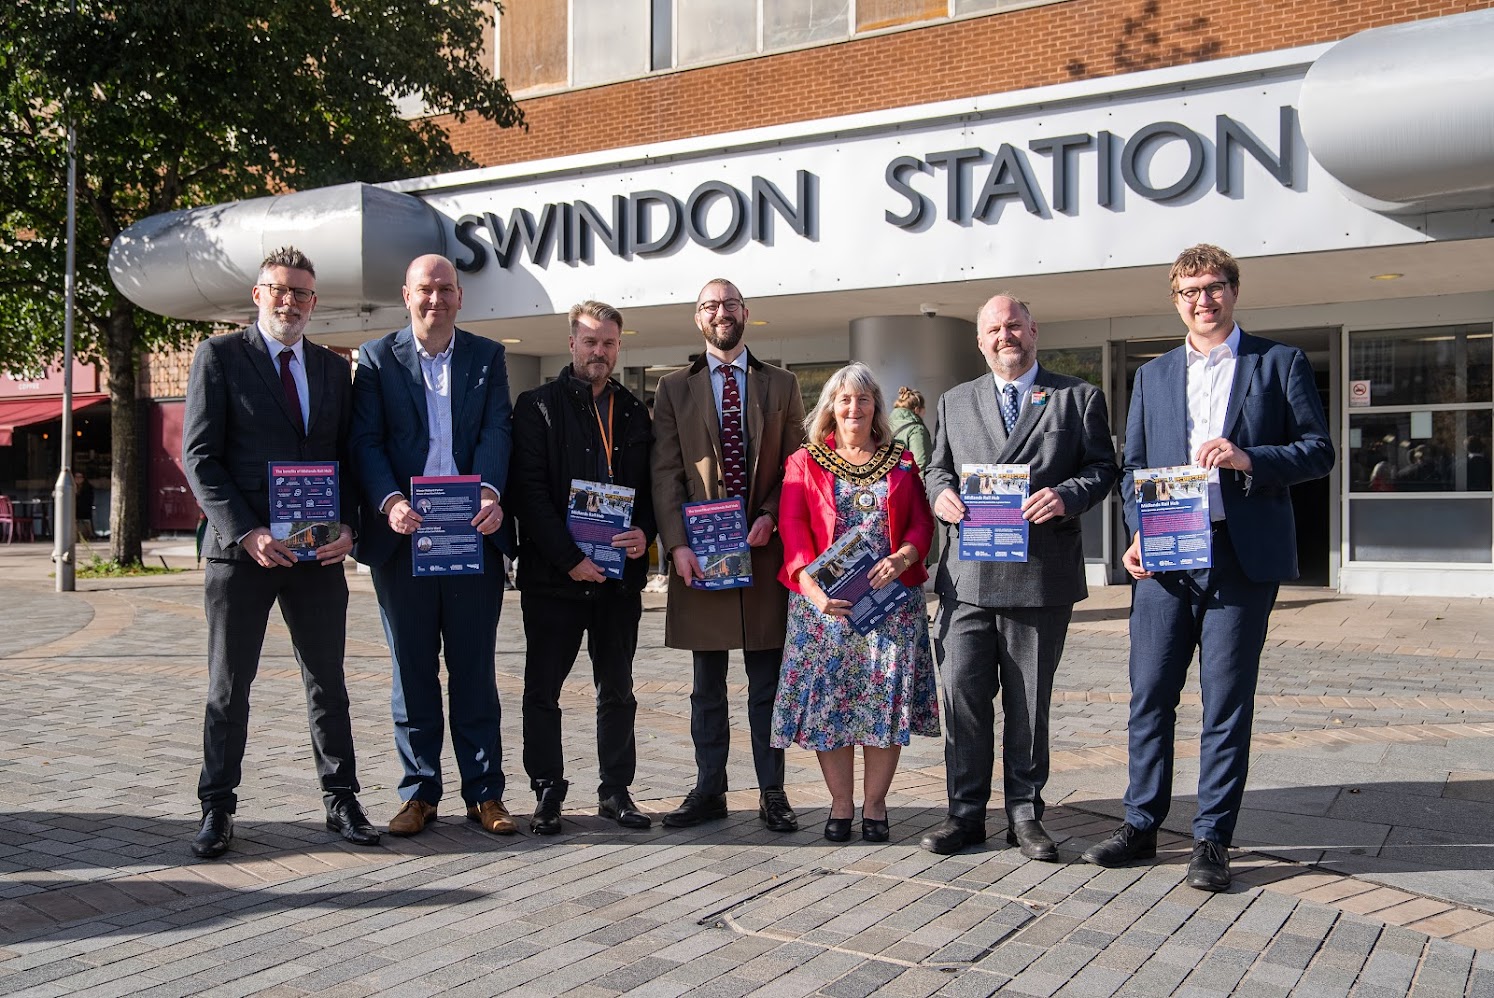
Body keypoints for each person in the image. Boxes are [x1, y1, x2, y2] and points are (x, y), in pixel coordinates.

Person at [1083, 244, 1334, 891]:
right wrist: (1136, 534)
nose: (1203, 300)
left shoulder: (1279, 363)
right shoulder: (1153, 376)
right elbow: (1134, 469)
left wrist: (1249, 459)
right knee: (1151, 695)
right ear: (1176, 300)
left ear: (1233, 291)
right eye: (1189, 291)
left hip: (1240, 557)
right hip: (1167, 558)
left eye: (1213, 287)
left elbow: (1319, 451)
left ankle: (1212, 839)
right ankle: (1141, 823)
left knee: (1225, 703)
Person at [181, 246, 378, 859]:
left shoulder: (329, 367)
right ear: (258, 295)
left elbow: (349, 459)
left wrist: (351, 528)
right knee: (228, 687)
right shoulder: (218, 357)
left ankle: (341, 799)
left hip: (316, 556)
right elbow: (200, 458)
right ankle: (217, 807)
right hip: (242, 555)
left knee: (329, 684)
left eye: (300, 293)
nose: (289, 301)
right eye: (278, 290)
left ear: (314, 303)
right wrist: (248, 532)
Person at [921, 293, 1118, 860]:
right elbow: (937, 466)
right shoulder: (956, 401)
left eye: (1013, 326)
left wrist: (1066, 496)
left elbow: (1103, 468)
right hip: (968, 578)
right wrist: (942, 496)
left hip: (1038, 577)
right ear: (980, 341)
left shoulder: (1076, 397)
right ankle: (964, 813)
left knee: (1030, 703)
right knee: (962, 696)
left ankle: (1025, 814)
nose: (1004, 336)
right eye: (993, 330)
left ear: (1034, 330)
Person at [349, 254, 516, 838]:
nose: (436, 299)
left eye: (446, 289)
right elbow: (365, 443)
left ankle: (485, 794)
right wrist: (391, 501)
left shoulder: (487, 357)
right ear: (407, 295)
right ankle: (419, 794)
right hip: (406, 541)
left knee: (474, 670)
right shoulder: (374, 359)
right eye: (426, 289)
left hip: (472, 538)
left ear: (460, 298)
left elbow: (499, 429)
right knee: (412, 671)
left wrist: (491, 492)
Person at [651, 278, 806, 831]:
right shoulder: (673, 388)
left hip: (764, 553)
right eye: (711, 306)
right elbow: (666, 473)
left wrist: (769, 514)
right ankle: (708, 790)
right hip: (701, 556)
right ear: (699, 318)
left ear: (746, 313)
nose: (722, 312)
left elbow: (796, 465)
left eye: (731, 304)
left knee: (767, 685)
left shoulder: (782, 384)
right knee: (706, 687)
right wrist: (676, 545)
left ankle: (773, 793)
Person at [771, 363, 939, 842]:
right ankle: (841, 806)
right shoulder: (805, 461)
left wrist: (905, 556)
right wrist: (813, 590)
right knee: (832, 710)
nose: (853, 408)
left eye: (863, 399)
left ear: (876, 408)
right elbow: (794, 529)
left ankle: (876, 805)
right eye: (844, 399)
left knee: (882, 706)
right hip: (825, 611)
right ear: (830, 406)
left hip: (890, 607)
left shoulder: (901, 460)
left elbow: (921, 523)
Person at [508, 300, 656, 834]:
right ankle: (547, 790)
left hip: (618, 582)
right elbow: (528, 494)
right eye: (591, 341)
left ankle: (615, 791)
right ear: (571, 343)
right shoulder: (536, 407)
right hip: (554, 580)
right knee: (542, 690)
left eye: (610, 342)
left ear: (619, 346)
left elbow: (649, 492)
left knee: (618, 690)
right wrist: (570, 559)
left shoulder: (636, 412)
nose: (600, 351)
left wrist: (647, 534)